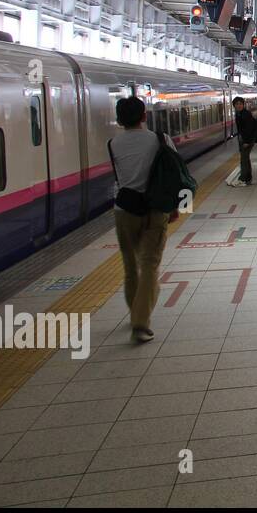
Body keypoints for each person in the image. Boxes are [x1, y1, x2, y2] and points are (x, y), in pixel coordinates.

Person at [108, 96, 176, 344]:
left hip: (124, 210)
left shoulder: (113, 143)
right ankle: (141, 322)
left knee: (130, 266)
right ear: (144, 116)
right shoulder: (160, 139)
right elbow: (174, 174)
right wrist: (178, 205)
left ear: (119, 119)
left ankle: (134, 312)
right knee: (149, 265)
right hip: (154, 210)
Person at [230, 97, 257, 186]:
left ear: (243, 104)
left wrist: (246, 141)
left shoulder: (245, 114)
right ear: (234, 105)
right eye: (237, 104)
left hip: (247, 140)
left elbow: (248, 129)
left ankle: (243, 179)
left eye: (240, 104)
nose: (239, 105)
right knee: (246, 158)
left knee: (244, 160)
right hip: (244, 139)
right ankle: (248, 177)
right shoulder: (239, 114)